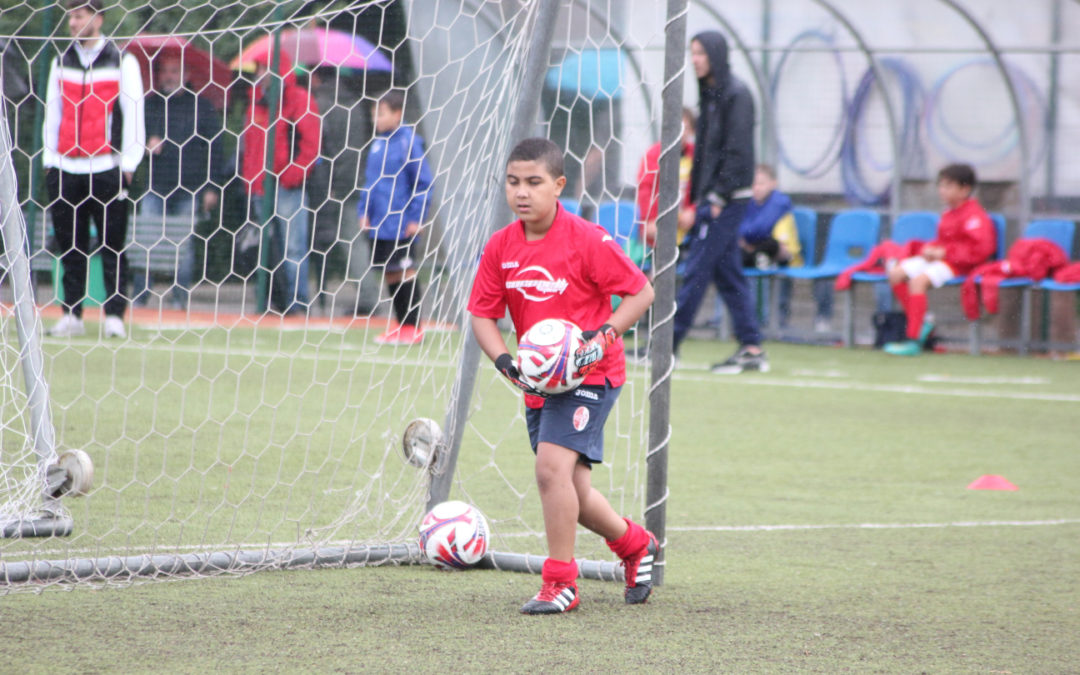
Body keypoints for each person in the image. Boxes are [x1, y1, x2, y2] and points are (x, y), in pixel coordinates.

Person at [467, 138, 658, 614]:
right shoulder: (501, 247)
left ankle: (561, 583)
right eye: (513, 182)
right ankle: (635, 544)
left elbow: (641, 292)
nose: (522, 192)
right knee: (572, 488)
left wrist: (603, 338)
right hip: (541, 383)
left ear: (559, 186)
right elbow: (481, 315)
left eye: (534, 182)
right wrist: (504, 362)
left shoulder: (586, 239)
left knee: (550, 471)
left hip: (592, 376)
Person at [43, 0, 144, 338]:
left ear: (98, 19)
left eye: (79, 15)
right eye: (70, 16)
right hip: (66, 167)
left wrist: (128, 164)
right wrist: (50, 162)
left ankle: (114, 315)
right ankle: (71, 313)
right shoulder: (61, 61)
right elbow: (52, 114)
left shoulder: (122, 61)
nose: (73, 23)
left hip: (106, 166)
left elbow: (133, 114)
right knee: (69, 245)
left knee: (112, 244)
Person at [670, 31, 766, 374]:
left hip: (725, 201)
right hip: (711, 200)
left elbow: (738, 153)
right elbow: (706, 156)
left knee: (696, 269)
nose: (694, 59)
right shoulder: (710, 95)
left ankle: (667, 347)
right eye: (691, 53)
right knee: (728, 276)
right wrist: (695, 198)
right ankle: (752, 346)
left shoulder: (737, 95)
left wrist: (715, 197)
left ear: (715, 54)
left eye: (700, 53)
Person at [134, 53, 225, 309]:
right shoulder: (150, 105)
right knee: (147, 242)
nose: (169, 76)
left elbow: (215, 150)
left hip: (190, 188)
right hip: (156, 185)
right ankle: (140, 298)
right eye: (165, 71)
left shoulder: (203, 107)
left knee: (182, 246)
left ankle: (179, 301)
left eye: (175, 71)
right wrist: (145, 145)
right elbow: (132, 140)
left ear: (186, 76)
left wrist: (212, 186)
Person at [238, 48, 320, 315]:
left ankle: (297, 303)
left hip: (288, 188)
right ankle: (270, 301)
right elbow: (250, 147)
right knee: (264, 246)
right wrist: (249, 181)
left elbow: (310, 146)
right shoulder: (255, 102)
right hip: (260, 188)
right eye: (258, 69)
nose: (259, 74)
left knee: (293, 248)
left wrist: (290, 176)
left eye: (263, 68)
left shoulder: (299, 99)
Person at [883, 163, 996, 356]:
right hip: (944, 260)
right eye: (941, 185)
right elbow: (945, 241)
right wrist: (932, 248)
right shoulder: (948, 213)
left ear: (965, 189)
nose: (942, 191)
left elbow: (980, 251)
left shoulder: (975, 216)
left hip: (961, 266)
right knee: (896, 273)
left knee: (918, 282)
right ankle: (924, 322)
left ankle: (914, 339)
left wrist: (944, 253)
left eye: (948, 186)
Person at [358, 89, 434, 344]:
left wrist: (417, 217)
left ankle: (414, 327)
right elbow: (370, 183)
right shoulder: (377, 143)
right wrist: (364, 212)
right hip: (380, 224)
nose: (376, 119)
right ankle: (401, 325)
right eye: (373, 114)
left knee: (405, 271)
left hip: (401, 223)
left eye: (381, 113)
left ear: (397, 114)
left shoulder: (408, 142)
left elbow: (423, 183)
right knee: (390, 272)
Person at [634, 106, 697, 268]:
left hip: (688, 229)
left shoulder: (696, 156)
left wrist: (693, 211)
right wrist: (651, 221)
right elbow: (645, 191)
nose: (680, 133)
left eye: (686, 128)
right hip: (659, 228)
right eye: (676, 127)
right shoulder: (653, 156)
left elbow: (703, 189)